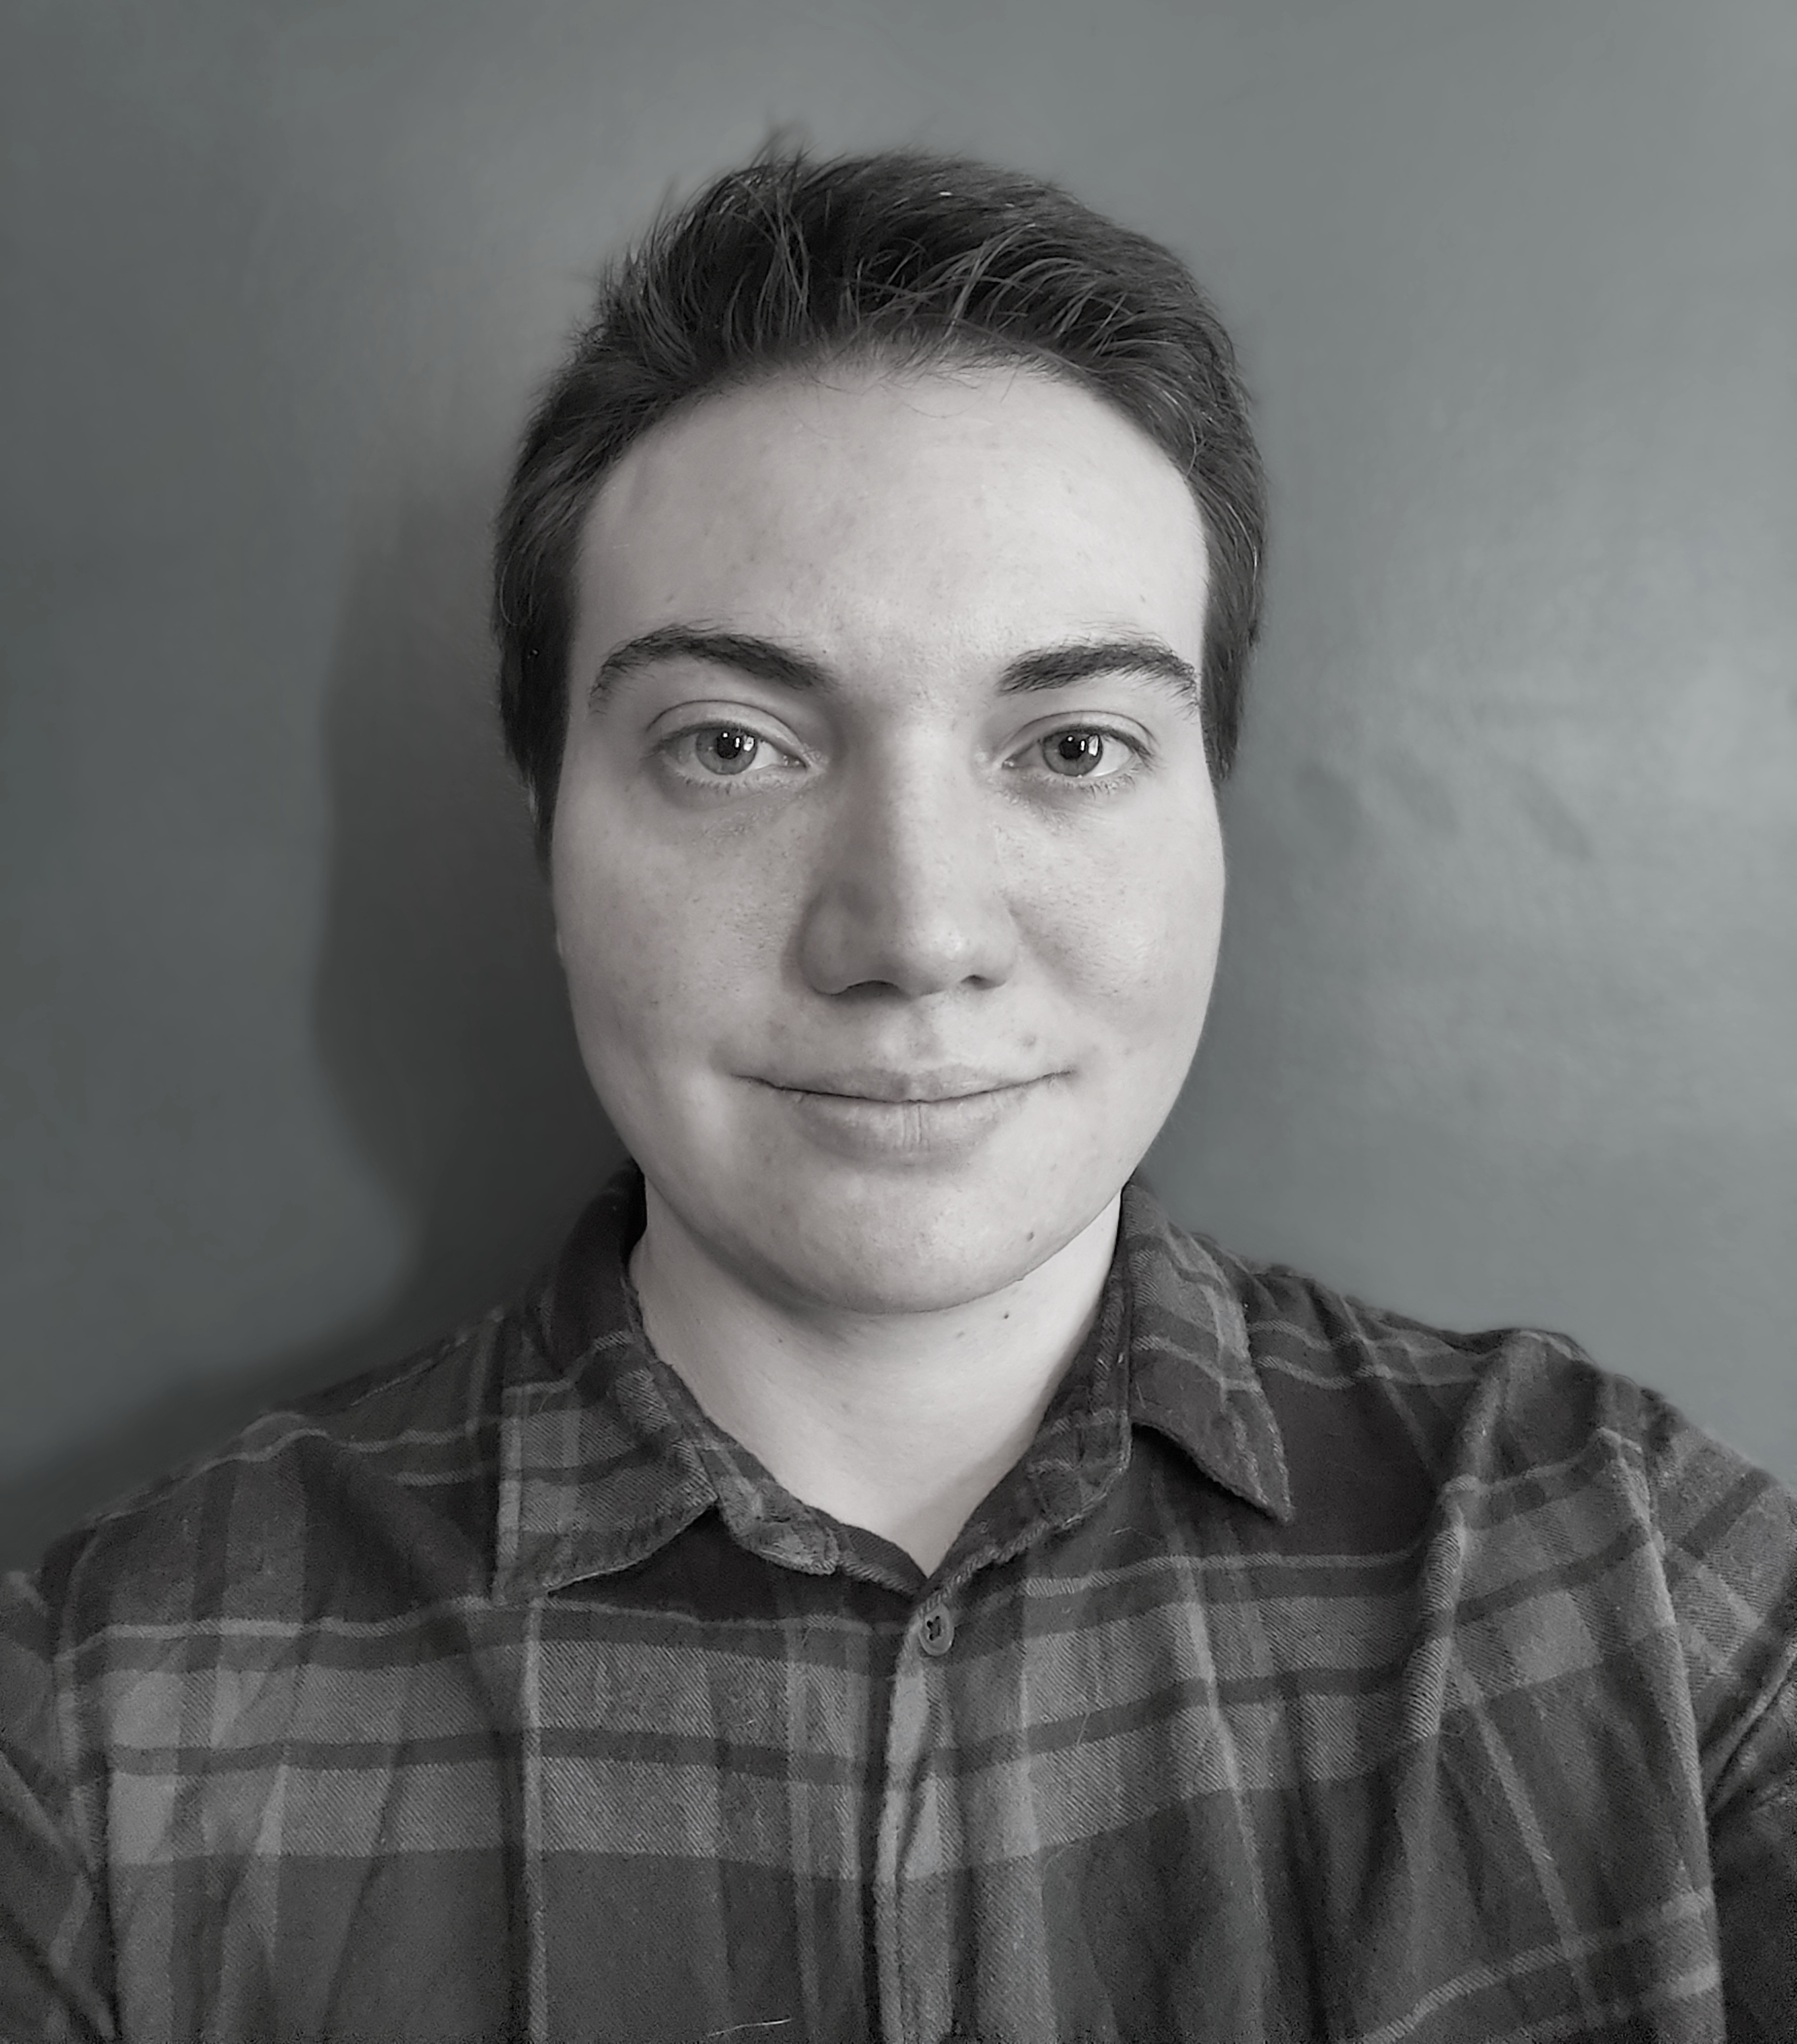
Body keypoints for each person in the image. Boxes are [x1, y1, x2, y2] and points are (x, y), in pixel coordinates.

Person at [2, 146, 1792, 2044]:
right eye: (732, 746)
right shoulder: (106, 1736)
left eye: (1074, 746)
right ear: (548, 831)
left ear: (1211, 813)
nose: (918, 935)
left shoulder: (1638, 1583)